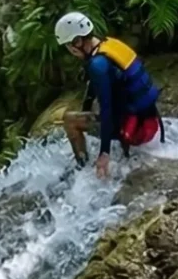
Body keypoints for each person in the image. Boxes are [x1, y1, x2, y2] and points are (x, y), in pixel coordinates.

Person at [54, 11, 162, 174]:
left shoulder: (97, 65)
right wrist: (86, 110)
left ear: (77, 41)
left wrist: (104, 153)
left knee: (70, 120)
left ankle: (81, 169)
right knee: (90, 116)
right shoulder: (107, 45)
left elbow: (107, 110)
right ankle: (121, 150)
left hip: (135, 130)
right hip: (150, 121)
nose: (70, 51)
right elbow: (93, 90)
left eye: (69, 46)